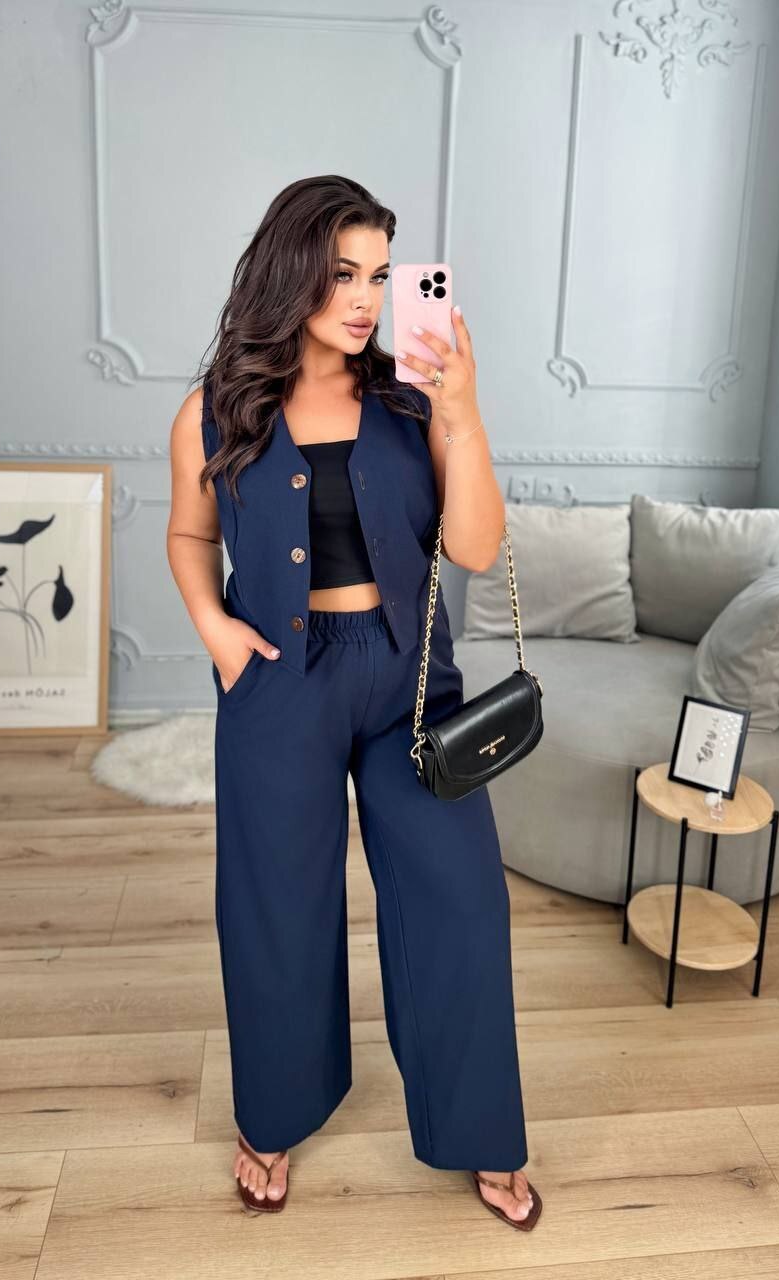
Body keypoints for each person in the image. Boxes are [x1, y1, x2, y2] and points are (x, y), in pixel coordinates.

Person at [166, 175, 542, 1230]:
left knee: (458, 900)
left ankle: (480, 1128)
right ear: (290, 270)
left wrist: (462, 413)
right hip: (277, 681)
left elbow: (475, 548)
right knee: (274, 904)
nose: (367, 297)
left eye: (380, 273)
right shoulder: (214, 411)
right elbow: (189, 534)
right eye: (343, 273)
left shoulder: (413, 398)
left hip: (407, 677)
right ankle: (273, 1113)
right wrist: (214, 628)